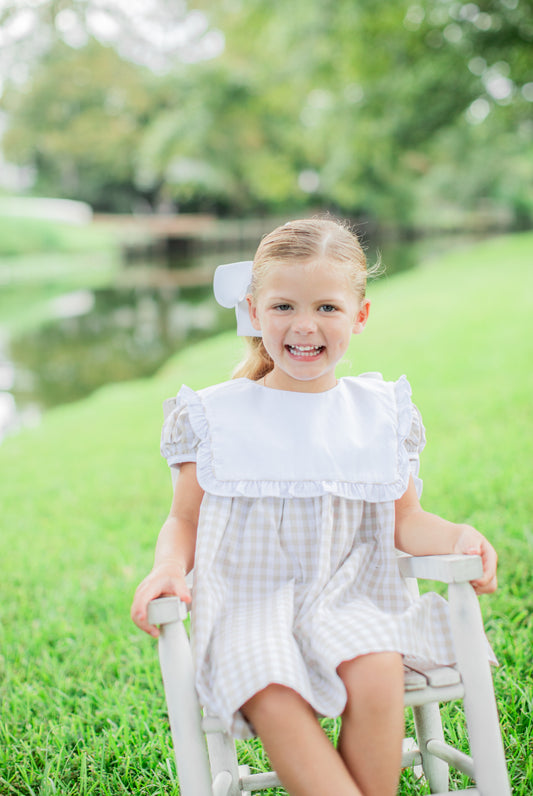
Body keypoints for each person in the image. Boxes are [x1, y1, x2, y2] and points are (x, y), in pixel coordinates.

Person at [131, 218, 498, 796]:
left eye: (328, 307)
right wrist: (168, 568)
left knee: (378, 669)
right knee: (270, 689)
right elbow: (184, 520)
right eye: (283, 307)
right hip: (248, 612)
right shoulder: (217, 416)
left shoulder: (377, 412)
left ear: (360, 315)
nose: (305, 326)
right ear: (254, 312)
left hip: (350, 601)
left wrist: (457, 536)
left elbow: (406, 521)